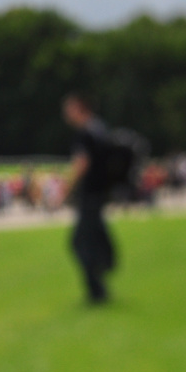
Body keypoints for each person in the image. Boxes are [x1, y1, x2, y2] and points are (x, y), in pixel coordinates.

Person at [62, 93, 119, 304]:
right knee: (93, 236)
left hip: (90, 194)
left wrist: (65, 190)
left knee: (79, 242)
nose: (65, 113)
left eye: (68, 108)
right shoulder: (100, 129)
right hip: (101, 192)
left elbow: (81, 164)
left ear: (79, 108)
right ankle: (105, 266)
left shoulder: (85, 133)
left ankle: (97, 291)